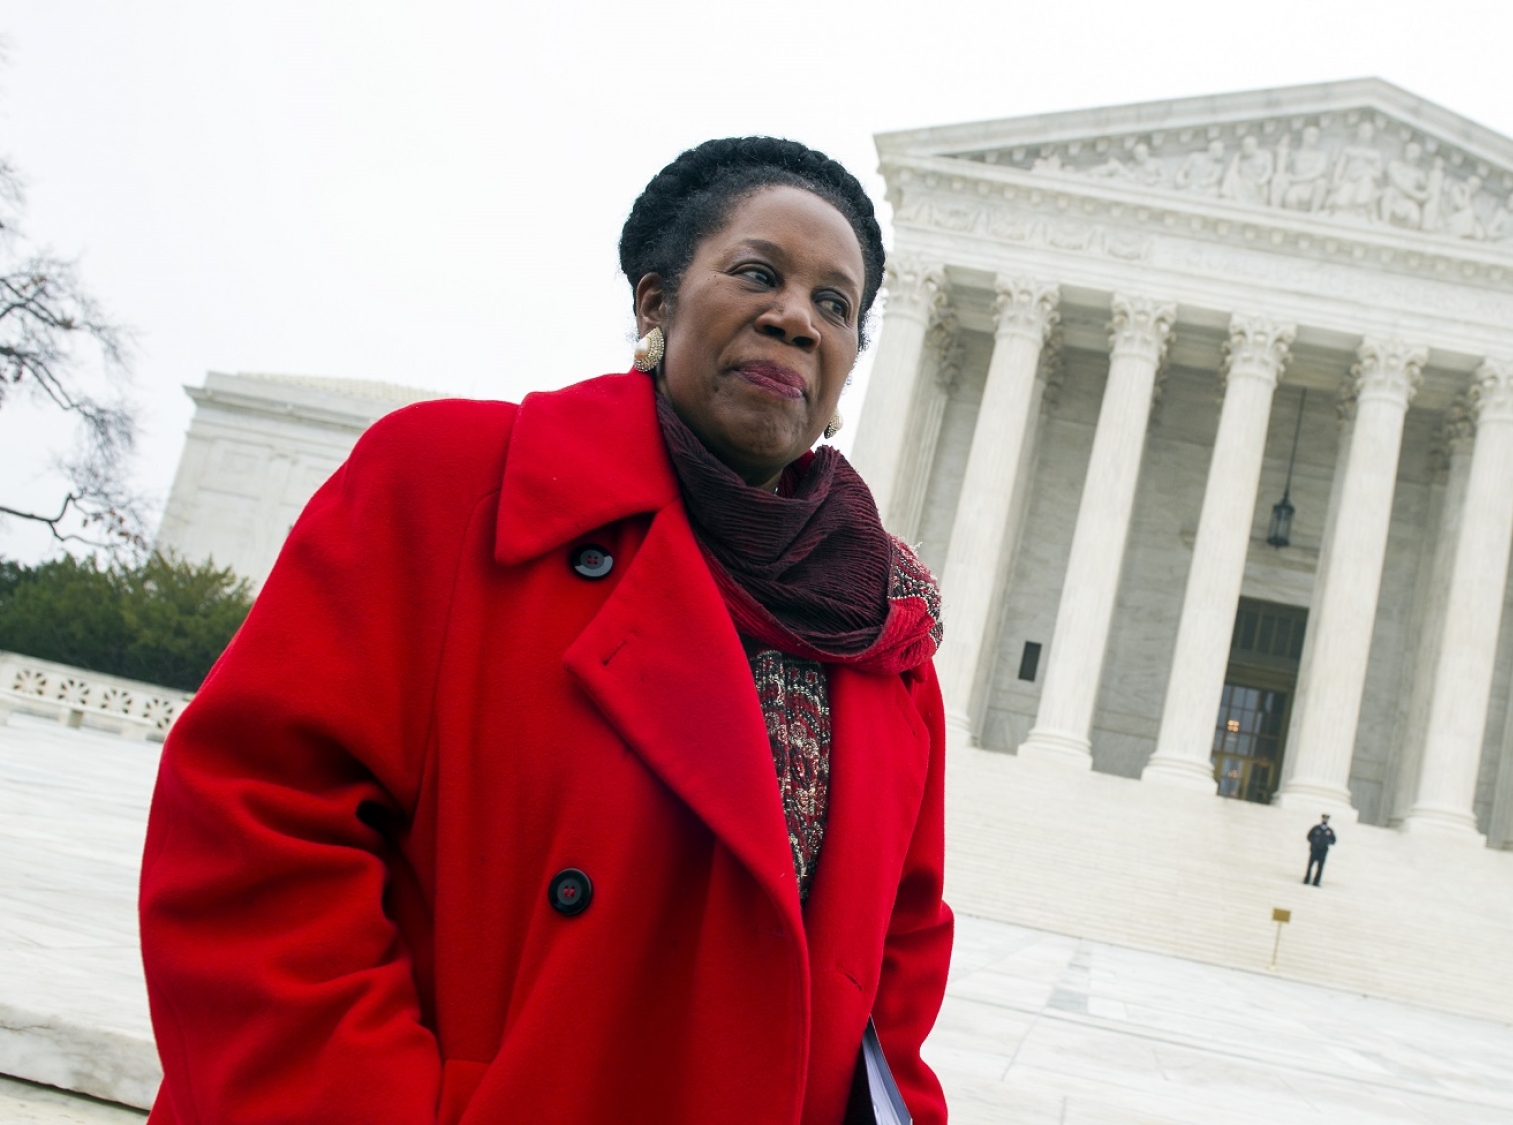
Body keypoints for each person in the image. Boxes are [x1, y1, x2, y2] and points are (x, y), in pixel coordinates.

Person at [138, 137, 952, 1125]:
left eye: (835, 305)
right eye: (756, 274)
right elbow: (255, 832)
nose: (794, 317)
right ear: (655, 303)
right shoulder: (450, 488)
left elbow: (895, 977)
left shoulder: (883, 641)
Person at [1305, 815, 1337, 886]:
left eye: (1326, 819)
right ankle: (1307, 879)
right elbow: (1309, 836)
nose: (1325, 820)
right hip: (1314, 850)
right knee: (1310, 865)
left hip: (1323, 851)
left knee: (1320, 867)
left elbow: (1333, 840)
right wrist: (1314, 842)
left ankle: (1316, 882)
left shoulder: (1329, 830)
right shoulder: (1316, 828)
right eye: (1324, 818)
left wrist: (1327, 842)